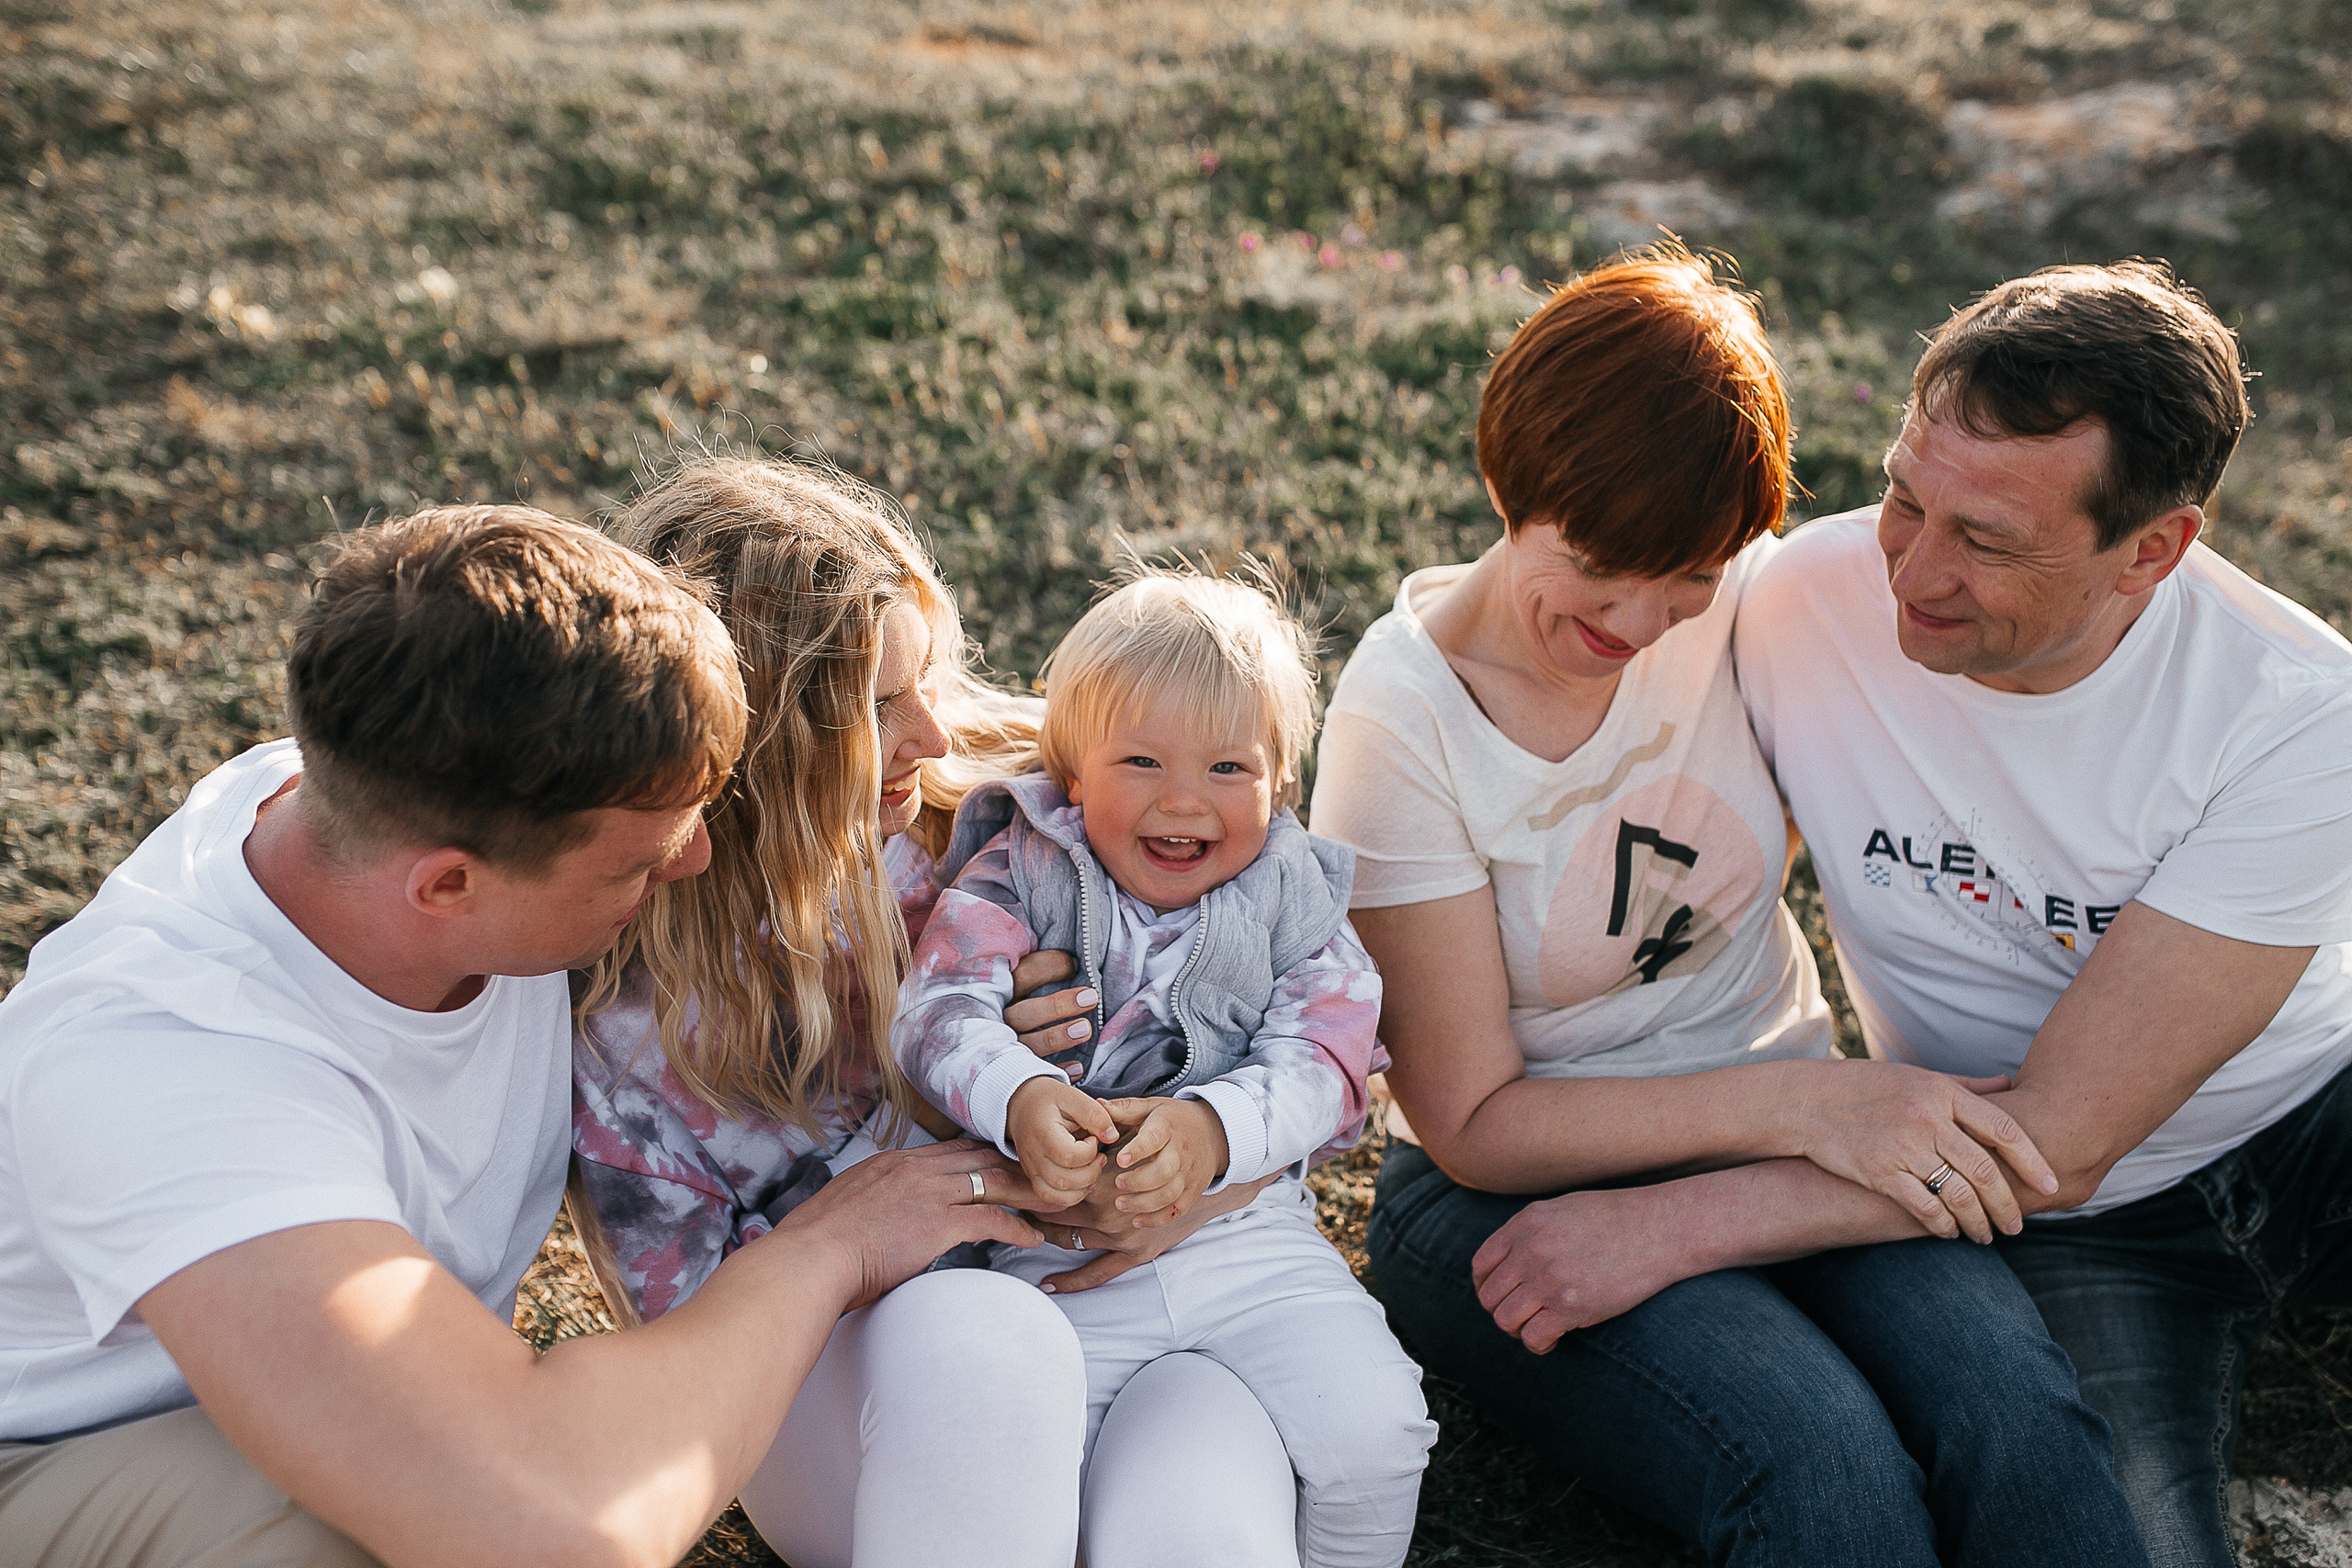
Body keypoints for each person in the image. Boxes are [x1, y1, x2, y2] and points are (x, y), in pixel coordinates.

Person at [0, 505, 1057, 1568]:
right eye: (637, 866)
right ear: (447, 888)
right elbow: (554, 1531)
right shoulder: (173, 1071)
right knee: (376, 1535)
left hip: (300, 1399)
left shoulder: (441, 759)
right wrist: (831, 1247)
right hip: (52, 1454)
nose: (691, 862)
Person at [1309, 248, 2151, 1566]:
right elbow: (1471, 1120)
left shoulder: (1750, 602)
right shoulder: (1403, 721)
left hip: (1794, 1140)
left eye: (1691, 573)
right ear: (1507, 481)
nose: (1644, 618)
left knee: (2017, 1418)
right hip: (1505, 1190)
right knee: (1822, 1461)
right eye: (1602, 562)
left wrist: (1810, 1118)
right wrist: (1810, 1106)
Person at [1720, 260, 2352, 1568]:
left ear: (2153, 551)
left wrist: (1659, 1226)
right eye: (1905, 496)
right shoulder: (1793, 606)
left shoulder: (2299, 715)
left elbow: (2060, 1134)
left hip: (2312, 1118)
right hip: (2074, 1222)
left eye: (1988, 540)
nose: (1914, 569)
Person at [568, 459, 1306, 1568]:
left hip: (1131, 1305)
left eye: (925, 682)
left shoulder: (1021, 814)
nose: (931, 734)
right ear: (750, 736)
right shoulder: (631, 1014)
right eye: (877, 707)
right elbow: (686, 1358)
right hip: (854, 1387)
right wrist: (938, 1113)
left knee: (1202, 1445)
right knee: (981, 1336)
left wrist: (1195, 1174)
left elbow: (1301, 1006)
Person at [898, 570, 1439, 1568]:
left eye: (1230, 767)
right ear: (1072, 774)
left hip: (1249, 1245)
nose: (1185, 799)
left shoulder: (1293, 895)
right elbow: (939, 1010)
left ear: (1281, 781)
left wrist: (1213, 1132)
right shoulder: (1018, 868)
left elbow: (1326, 1056)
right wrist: (1021, 1094)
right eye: (1142, 760)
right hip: (1061, 1257)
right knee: (1034, 1484)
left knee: (1379, 1430)